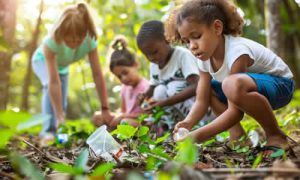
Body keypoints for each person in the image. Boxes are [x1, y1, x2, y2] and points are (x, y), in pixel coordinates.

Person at [171, 0, 295, 152]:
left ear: (217, 27)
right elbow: (202, 100)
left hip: (281, 86)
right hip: (251, 87)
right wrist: (188, 123)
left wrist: (195, 137)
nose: (192, 46)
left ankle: (275, 135)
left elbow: (235, 113)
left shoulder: (237, 52)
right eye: (186, 41)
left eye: (196, 36)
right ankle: (238, 138)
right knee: (209, 88)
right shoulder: (204, 60)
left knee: (231, 84)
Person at [32, 2, 112, 139]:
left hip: (62, 67)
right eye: (69, 41)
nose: (74, 44)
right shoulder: (51, 43)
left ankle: (60, 135)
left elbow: (98, 75)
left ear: (84, 34)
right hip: (41, 61)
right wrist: (59, 115)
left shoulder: (89, 41)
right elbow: (53, 82)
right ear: (61, 34)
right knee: (48, 87)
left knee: (61, 103)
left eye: (78, 40)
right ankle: (47, 132)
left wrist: (105, 108)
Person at [136, 20, 214, 130]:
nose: (151, 58)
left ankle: (196, 126)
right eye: (146, 55)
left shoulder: (182, 56)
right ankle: (173, 129)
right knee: (159, 90)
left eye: (154, 52)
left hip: (201, 110)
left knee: (173, 88)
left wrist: (165, 102)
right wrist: (144, 96)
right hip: (177, 110)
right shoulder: (154, 64)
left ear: (167, 40)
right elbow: (153, 87)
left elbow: (197, 85)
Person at [92, 36, 150, 128]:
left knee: (124, 122)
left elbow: (148, 116)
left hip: (143, 124)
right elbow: (123, 111)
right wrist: (115, 116)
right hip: (126, 119)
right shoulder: (125, 88)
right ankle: (109, 136)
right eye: (119, 76)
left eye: (125, 73)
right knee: (98, 117)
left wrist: (123, 116)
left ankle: (116, 135)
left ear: (135, 65)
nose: (123, 79)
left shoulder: (146, 87)